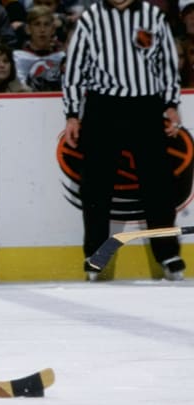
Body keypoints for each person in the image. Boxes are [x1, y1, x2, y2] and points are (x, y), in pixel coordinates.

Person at [62, 0, 185, 281]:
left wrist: (171, 103)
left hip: (145, 107)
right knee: (96, 188)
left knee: (158, 185)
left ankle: (167, 253)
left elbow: (166, 63)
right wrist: (71, 113)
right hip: (103, 107)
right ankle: (96, 256)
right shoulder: (91, 18)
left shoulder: (152, 16)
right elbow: (75, 67)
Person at [12, 5, 65, 91]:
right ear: (28, 29)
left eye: (46, 24)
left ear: (53, 29)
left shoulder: (62, 58)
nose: (42, 30)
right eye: (37, 24)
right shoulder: (17, 57)